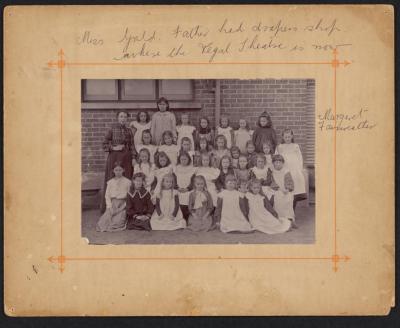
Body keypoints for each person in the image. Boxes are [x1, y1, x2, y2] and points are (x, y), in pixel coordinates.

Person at [101, 111, 135, 213]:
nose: (123, 118)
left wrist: (133, 157)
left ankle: (125, 208)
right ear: (117, 118)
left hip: (127, 158)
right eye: (121, 116)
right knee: (113, 179)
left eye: (125, 117)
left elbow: (132, 146)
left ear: (127, 118)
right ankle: (109, 207)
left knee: (127, 179)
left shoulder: (129, 130)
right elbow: (104, 144)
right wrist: (114, 148)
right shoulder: (112, 129)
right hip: (114, 157)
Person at [275, 129, 307, 209]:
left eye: (289, 137)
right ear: (283, 137)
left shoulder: (295, 146)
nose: (287, 138)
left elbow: (300, 158)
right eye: (286, 137)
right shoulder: (280, 147)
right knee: (285, 187)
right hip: (285, 169)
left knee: (294, 189)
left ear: (292, 137)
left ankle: (292, 209)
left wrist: (299, 168)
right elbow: (276, 157)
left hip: (294, 170)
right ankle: (285, 209)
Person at [96, 162, 131, 232]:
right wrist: (109, 207)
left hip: (122, 205)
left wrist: (123, 207)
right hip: (113, 204)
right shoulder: (110, 182)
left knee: (117, 223)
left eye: (120, 170)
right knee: (103, 223)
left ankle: (119, 220)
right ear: (113, 171)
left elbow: (129, 197)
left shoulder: (128, 182)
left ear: (123, 170)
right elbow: (107, 196)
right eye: (116, 170)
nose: (118, 172)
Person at [267, 154, 296, 223]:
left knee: (288, 197)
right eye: (276, 162)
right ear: (273, 163)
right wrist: (279, 189)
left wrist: (287, 189)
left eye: (280, 162)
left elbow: (289, 181)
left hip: (286, 189)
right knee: (278, 198)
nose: (278, 164)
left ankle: (289, 218)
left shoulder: (286, 171)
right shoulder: (272, 172)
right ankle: (280, 218)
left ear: (283, 163)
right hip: (277, 189)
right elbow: (273, 182)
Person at [173, 151, 197, 221]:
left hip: (188, 189)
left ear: (189, 159)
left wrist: (188, 189)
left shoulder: (192, 169)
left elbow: (193, 181)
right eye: (182, 159)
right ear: (179, 160)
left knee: (189, 197)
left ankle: (187, 217)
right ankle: (180, 216)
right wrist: (178, 188)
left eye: (185, 159)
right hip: (178, 189)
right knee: (177, 197)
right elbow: (173, 180)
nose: (183, 161)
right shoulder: (176, 168)